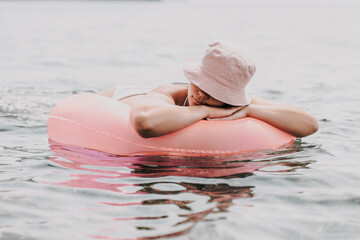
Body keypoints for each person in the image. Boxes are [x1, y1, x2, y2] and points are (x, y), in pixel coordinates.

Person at [100, 41, 318, 138]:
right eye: (201, 83)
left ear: (230, 97)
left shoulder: (238, 102)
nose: (202, 93)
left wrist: (250, 111)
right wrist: (206, 111)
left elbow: (309, 123)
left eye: (214, 92)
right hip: (120, 97)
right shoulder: (169, 92)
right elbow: (145, 122)